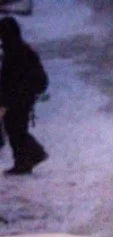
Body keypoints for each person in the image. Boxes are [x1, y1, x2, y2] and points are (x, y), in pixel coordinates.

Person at [0, 16, 48, 175]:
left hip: (19, 97)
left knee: (15, 129)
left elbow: (10, 79)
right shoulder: (20, 49)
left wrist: (6, 98)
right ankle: (27, 158)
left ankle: (28, 158)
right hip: (23, 96)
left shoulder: (14, 52)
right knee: (16, 129)